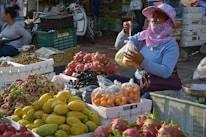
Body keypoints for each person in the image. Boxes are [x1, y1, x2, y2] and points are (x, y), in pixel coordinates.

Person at [106, 3, 182, 99]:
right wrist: (125, 32)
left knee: (143, 102)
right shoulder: (144, 36)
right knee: (108, 80)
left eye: (158, 17)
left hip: (154, 86)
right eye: (153, 17)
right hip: (137, 82)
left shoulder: (171, 45)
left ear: (167, 22)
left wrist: (142, 61)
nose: (154, 20)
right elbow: (119, 45)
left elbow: (165, 72)